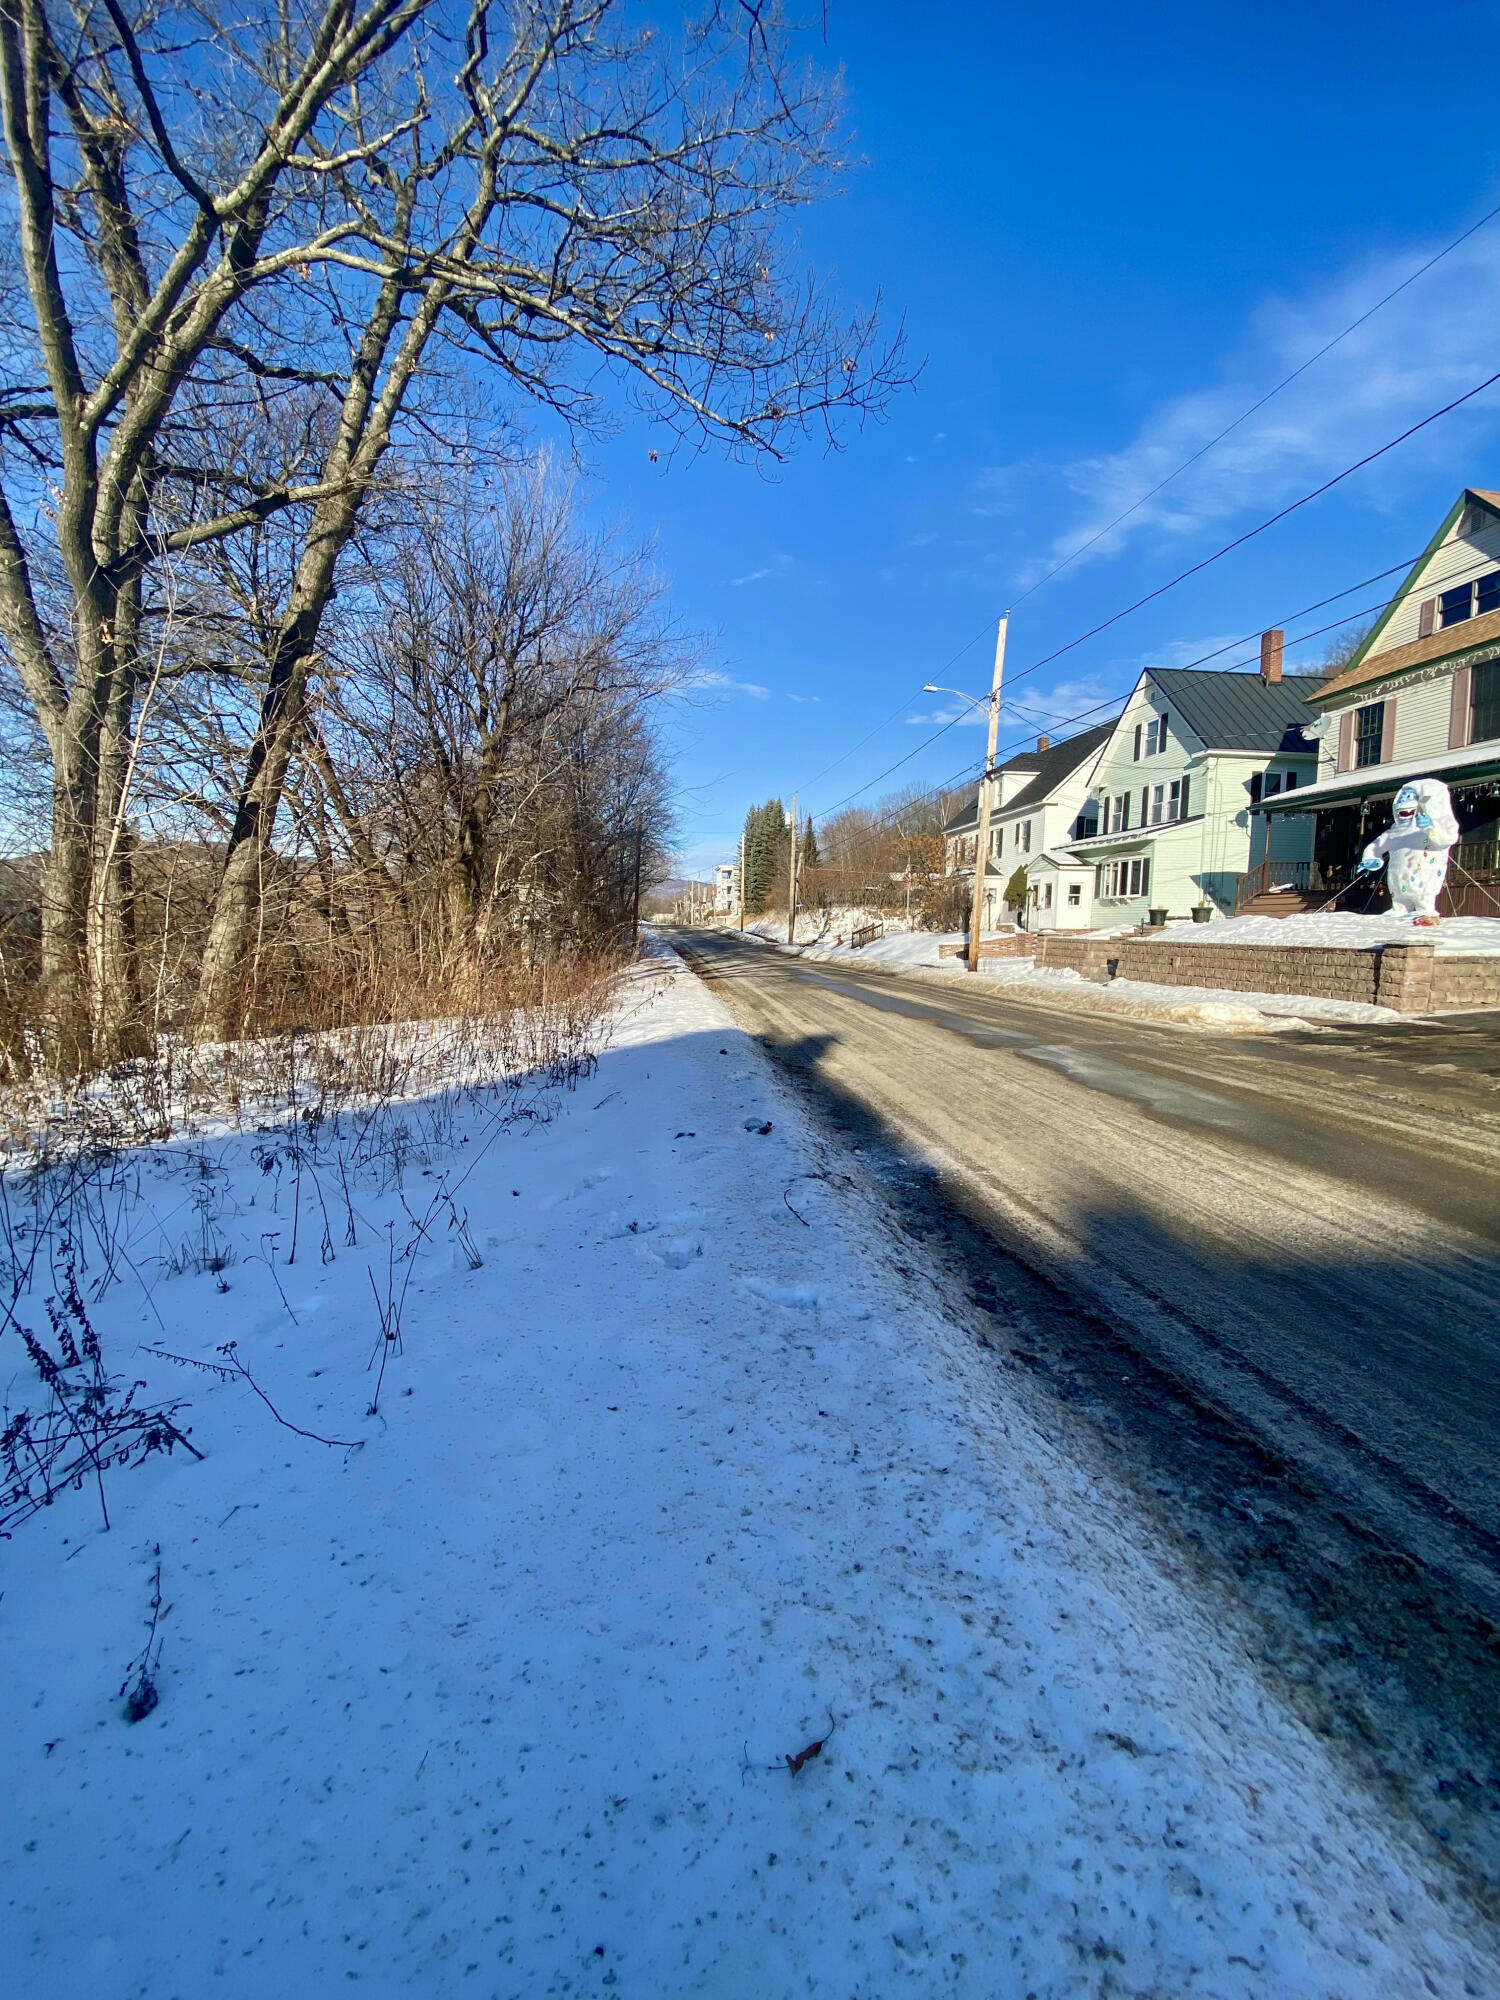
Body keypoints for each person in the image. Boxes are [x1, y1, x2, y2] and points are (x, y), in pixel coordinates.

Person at [1357, 777, 1460, 926]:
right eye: (1404, 796)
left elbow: (1447, 839)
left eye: (1411, 797)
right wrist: (1371, 858)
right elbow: (1377, 845)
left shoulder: (1429, 826)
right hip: (1397, 879)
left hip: (1424, 873)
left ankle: (1425, 910)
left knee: (1423, 894)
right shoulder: (1395, 831)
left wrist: (1431, 827)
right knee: (1398, 896)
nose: (1404, 801)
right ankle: (1399, 909)